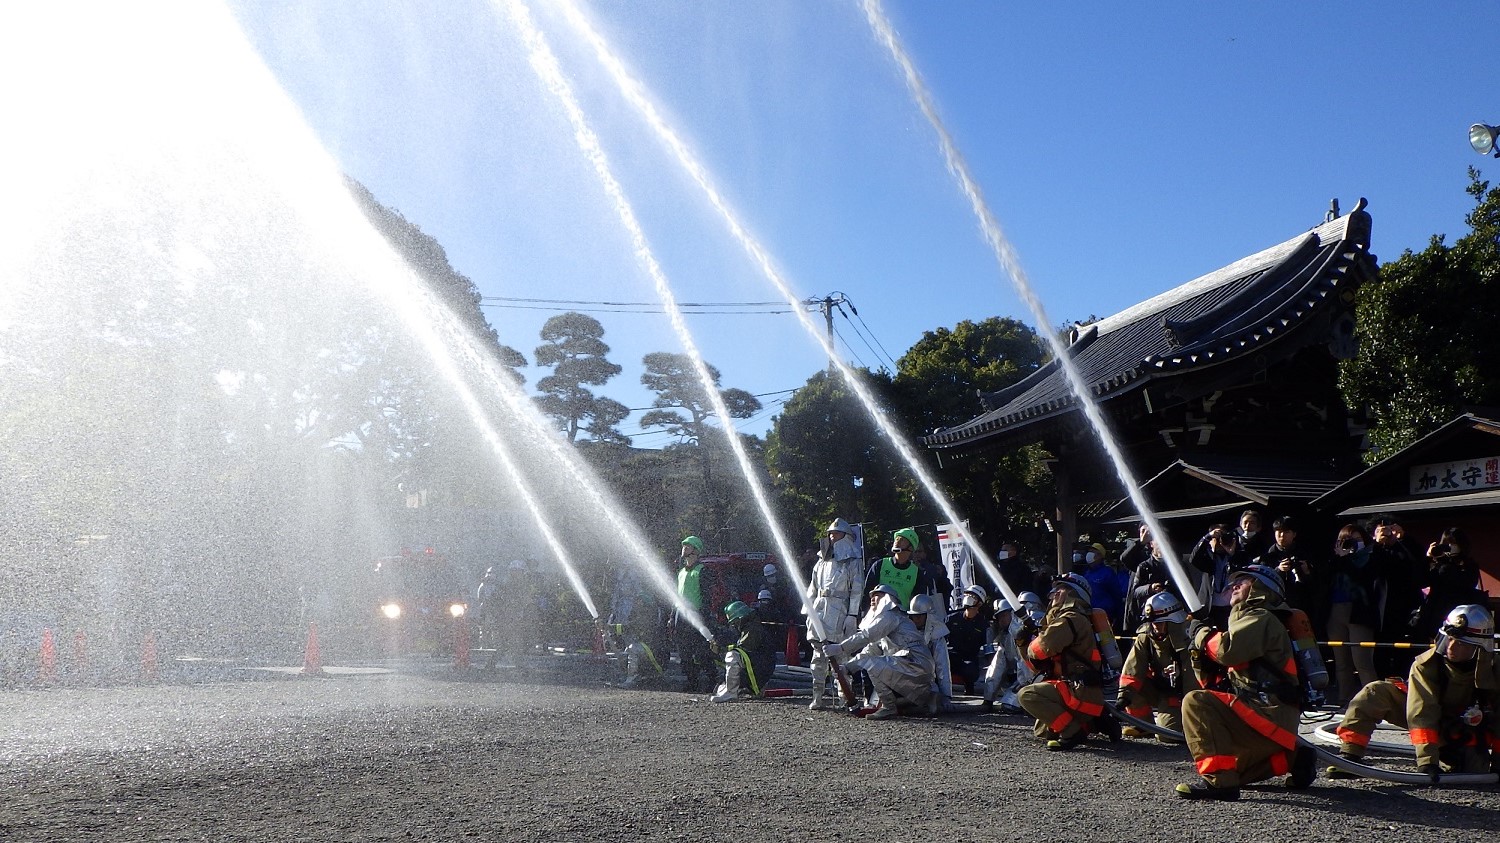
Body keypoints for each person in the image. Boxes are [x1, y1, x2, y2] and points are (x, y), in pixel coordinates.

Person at [1174, 565, 1316, 800]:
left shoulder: (1259, 616)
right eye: (1234, 582)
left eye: (1244, 580)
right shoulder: (1253, 621)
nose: (1234, 585)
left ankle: (1220, 783)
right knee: (1236, 769)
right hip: (1272, 720)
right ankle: (1294, 759)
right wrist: (1198, 650)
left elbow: (1227, 651)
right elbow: (1210, 681)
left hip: (1266, 714)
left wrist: (1202, 634)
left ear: (1262, 588)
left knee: (1196, 702)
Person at [1327, 604, 1499, 779]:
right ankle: (1350, 755)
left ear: (1480, 647)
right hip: (1423, 717)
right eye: (1449, 639)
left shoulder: (1495, 670)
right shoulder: (1427, 665)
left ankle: (1450, 755)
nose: (1451, 647)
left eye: (1461, 643)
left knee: (1474, 773)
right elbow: (1423, 711)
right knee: (1374, 692)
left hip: (1463, 729)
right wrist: (1427, 762)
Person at [1016, 573, 1117, 750]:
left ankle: (1073, 732)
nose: (1053, 593)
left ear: (1073, 593)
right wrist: (1022, 643)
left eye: (1059, 589)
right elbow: (1036, 665)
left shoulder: (1071, 619)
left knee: (1027, 695)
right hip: (1076, 691)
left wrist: (1034, 640)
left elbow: (1041, 649)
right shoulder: (1062, 621)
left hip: (1079, 691)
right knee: (1044, 731)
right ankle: (1093, 722)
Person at [823, 584, 935, 720]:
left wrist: (841, 647)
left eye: (878, 596)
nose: (872, 599)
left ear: (888, 600)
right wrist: (847, 667)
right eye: (872, 596)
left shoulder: (891, 615)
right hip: (911, 664)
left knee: (873, 665)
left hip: (915, 663)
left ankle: (889, 707)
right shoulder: (888, 622)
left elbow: (867, 635)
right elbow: (870, 651)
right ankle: (904, 704)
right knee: (872, 662)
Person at [1117, 591, 1198, 743]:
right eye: (1153, 622)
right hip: (1159, 688)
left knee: (1166, 735)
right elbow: (1132, 670)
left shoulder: (1189, 640)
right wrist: (1123, 698)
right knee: (1132, 689)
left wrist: (1192, 709)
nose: (1155, 627)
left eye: (1160, 623)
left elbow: (1193, 683)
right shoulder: (1145, 637)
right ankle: (1143, 725)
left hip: (1179, 695)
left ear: (1173, 621)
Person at [806, 518, 864, 710]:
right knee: (818, 656)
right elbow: (812, 587)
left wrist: (852, 614)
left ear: (846, 537)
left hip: (840, 609)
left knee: (841, 656)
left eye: (836, 534)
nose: (832, 537)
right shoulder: (821, 562)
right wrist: (808, 610)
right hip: (820, 608)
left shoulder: (853, 562)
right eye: (830, 534)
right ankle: (817, 695)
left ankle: (844, 696)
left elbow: (857, 590)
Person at [1326, 523, 1379, 703]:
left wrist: (1346, 559)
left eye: (1358, 540)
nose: (1354, 545)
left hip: (1360, 613)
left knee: (1362, 661)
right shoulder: (1335, 561)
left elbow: (1361, 579)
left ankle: (1373, 703)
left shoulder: (1371, 558)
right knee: (1341, 663)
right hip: (1336, 611)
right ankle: (1344, 700)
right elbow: (1325, 580)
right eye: (1349, 541)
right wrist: (1339, 557)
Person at [1368, 514, 1426, 677]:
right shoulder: (1371, 551)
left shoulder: (1404, 549)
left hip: (1406, 612)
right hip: (1380, 614)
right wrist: (1378, 544)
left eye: (1389, 529)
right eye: (1380, 530)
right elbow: (1370, 568)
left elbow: (1419, 567)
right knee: (1381, 658)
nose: (1386, 532)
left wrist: (1403, 538)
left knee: (1406, 658)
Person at [1414, 528, 1485, 642]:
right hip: (1434, 613)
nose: (1450, 547)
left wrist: (1446, 563)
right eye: (1447, 544)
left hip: (1457, 614)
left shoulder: (1468, 564)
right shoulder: (1436, 563)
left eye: (1453, 544)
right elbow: (1422, 581)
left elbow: (1465, 583)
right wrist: (1428, 558)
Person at [605, 563, 666, 687]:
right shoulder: (643, 613)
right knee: (627, 649)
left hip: (657, 657)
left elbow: (630, 627)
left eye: (639, 601)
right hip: (651, 653)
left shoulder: (648, 615)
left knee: (632, 648)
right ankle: (640, 675)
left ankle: (631, 679)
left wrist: (610, 627)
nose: (636, 603)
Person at [710, 601, 777, 703]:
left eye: (734, 622)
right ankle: (733, 690)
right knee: (720, 688)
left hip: (759, 670)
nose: (734, 625)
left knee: (732, 655)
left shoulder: (753, 629)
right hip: (758, 668)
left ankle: (731, 693)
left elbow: (743, 649)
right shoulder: (750, 626)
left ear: (740, 618)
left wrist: (721, 650)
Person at [672, 536, 715, 693]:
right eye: (683, 546)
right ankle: (692, 682)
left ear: (696, 550)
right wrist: (672, 616)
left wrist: (704, 617)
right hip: (681, 615)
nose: (684, 548)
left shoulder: (702, 571)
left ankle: (712, 681)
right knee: (684, 652)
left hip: (697, 615)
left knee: (702, 651)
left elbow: (707, 597)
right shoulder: (681, 572)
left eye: (688, 546)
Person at [1189, 524, 1249, 629]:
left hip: (1231, 608)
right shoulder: (1208, 557)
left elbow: (1243, 570)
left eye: (1223, 538)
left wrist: (1231, 554)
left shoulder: (1238, 555)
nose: (1219, 542)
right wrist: (1206, 537)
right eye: (1216, 538)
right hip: (1210, 608)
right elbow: (1193, 559)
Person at [863, 528, 935, 611]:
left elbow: (918, 601)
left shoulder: (917, 573)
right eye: (896, 539)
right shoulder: (879, 565)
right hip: (878, 616)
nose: (897, 541)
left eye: (902, 540)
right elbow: (867, 592)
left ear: (911, 548)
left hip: (902, 618)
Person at [980, 596, 1027, 713]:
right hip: (1020, 679)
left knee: (1011, 705)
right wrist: (988, 699)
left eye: (1004, 615)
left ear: (1013, 613)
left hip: (1033, 678)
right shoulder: (1005, 638)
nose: (1001, 620)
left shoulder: (1023, 633)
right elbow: (996, 667)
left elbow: (1025, 662)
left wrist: (1022, 684)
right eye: (999, 617)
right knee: (1008, 705)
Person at [946, 585, 991, 696]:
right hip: (950, 656)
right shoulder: (952, 618)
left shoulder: (983, 624)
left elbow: (988, 648)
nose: (968, 598)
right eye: (967, 595)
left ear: (979, 603)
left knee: (970, 670)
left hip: (969, 659)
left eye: (972, 596)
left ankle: (969, 690)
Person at [1078, 541, 1125, 632]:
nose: (1089, 553)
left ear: (1100, 555)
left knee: (1105, 641)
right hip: (1087, 614)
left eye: (1093, 551)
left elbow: (1116, 594)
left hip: (1104, 615)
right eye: (1090, 550)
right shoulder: (1086, 573)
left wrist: (1116, 615)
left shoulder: (1107, 572)